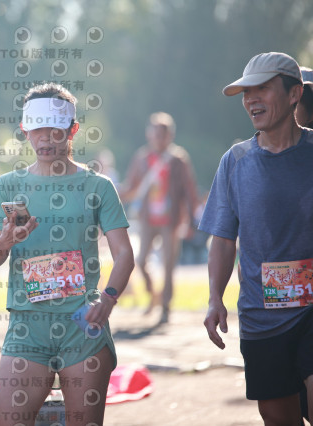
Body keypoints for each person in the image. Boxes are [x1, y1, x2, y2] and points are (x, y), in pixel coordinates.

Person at [0, 82, 134, 426]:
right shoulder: (9, 185)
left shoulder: (98, 186)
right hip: (27, 327)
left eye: (55, 130)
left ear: (72, 129)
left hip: (82, 325)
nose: (46, 139)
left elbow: (124, 254)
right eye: (37, 130)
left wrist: (108, 299)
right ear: (25, 130)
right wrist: (5, 240)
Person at [200, 52, 313, 425]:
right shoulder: (236, 161)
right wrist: (215, 298)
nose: (251, 99)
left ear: (295, 93)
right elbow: (223, 239)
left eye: (262, 88)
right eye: (246, 92)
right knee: (278, 416)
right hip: (262, 317)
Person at [120, 112, 199, 322]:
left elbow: (189, 190)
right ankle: (152, 294)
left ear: (169, 135)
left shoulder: (178, 159)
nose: (158, 138)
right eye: (155, 133)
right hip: (148, 218)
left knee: (168, 265)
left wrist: (192, 220)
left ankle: (165, 307)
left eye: (162, 134)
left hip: (171, 219)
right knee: (141, 260)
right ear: (149, 134)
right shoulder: (142, 158)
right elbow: (131, 186)